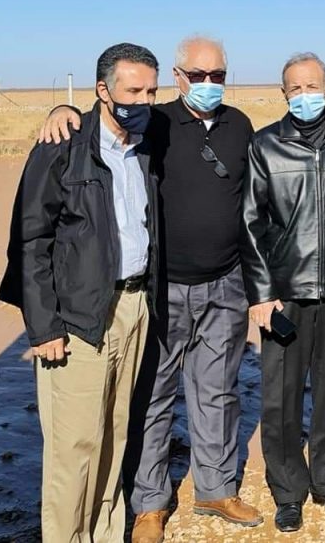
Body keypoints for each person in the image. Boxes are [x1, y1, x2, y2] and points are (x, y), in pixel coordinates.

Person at [38, 36, 262, 541]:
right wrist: (61, 110)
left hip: (226, 284)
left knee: (218, 393)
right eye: (198, 75)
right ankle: (149, 504)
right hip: (161, 289)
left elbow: (253, 203)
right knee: (152, 398)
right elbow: (103, 125)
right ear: (178, 78)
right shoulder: (152, 122)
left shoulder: (239, 125)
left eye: (218, 76)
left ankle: (216, 488)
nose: (208, 84)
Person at [0, 43, 161, 541]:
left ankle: (105, 533)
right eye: (133, 91)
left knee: (114, 433)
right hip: (78, 317)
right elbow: (31, 240)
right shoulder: (61, 147)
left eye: (151, 91)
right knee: (75, 447)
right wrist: (43, 327)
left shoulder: (146, 144)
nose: (144, 101)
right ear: (103, 91)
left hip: (134, 307)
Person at [240, 52, 325, 533]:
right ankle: (288, 491)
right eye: (295, 89)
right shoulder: (266, 145)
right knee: (280, 398)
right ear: (284, 94)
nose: (304, 96)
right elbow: (251, 223)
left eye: (311, 86)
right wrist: (261, 293)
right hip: (286, 293)